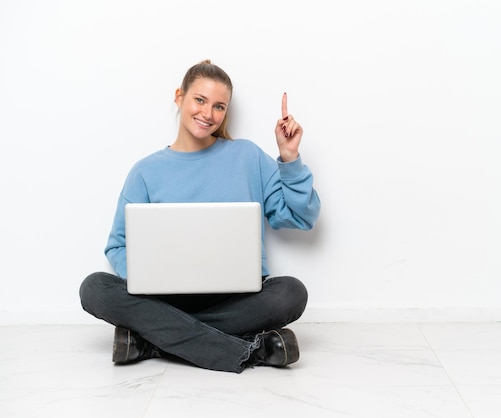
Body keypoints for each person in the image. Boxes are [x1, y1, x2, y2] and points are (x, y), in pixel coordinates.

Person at [79, 60, 321, 373]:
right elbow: (117, 245)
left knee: (291, 293)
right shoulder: (146, 171)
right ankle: (250, 351)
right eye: (200, 100)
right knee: (93, 287)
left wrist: (290, 159)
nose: (208, 114)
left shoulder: (247, 156)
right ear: (179, 97)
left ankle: (152, 340)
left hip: (238, 298)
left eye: (219, 106)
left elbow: (301, 218)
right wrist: (149, 276)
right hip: (167, 299)